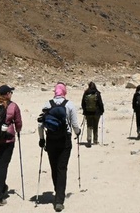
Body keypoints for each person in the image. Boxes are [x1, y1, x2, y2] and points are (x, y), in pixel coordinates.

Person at [38, 83, 81, 212]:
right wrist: (78, 133)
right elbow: (75, 125)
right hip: (65, 141)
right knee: (62, 168)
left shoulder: (47, 104)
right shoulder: (69, 105)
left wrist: (42, 139)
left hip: (51, 140)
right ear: (64, 91)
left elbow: (41, 124)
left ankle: (57, 191)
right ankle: (59, 200)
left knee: (54, 166)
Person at [81, 81, 104, 147]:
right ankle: (95, 140)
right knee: (95, 126)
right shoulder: (97, 93)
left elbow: (82, 103)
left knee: (89, 126)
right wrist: (102, 111)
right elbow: (100, 103)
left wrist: (84, 111)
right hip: (97, 113)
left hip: (88, 113)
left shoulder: (86, 93)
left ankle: (89, 140)